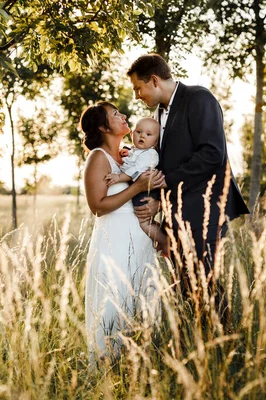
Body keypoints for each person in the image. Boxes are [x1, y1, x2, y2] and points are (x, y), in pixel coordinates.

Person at [127, 54, 249, 322]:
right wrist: (157, 198)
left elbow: (211, 154)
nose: (137, 95)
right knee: (184, 282)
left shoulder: (199, 98)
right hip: (178, 210)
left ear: (155, 80)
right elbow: (164, 163)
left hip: (205, 207)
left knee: (205, 280)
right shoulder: (158, 113)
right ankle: (197, 345)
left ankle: (225, 345)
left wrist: (167, 183)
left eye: (139, 88)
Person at [80, 101, 163, 360]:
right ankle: (108, 370)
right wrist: (137, 187)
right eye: (116, 114)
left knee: (142, 304)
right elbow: (97, 206)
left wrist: (155, 201)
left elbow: (146, 189)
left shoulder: (130, 155)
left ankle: (138, 365)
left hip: (139, 242)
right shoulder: (98, 158)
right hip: (113, 245)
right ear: (104, 127)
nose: (123, 115)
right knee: (114, 306)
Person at [103, 117, 167, 252]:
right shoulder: (136, 151)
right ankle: (158, 231)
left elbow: (135, 171)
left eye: (148, 134)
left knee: (144, 223)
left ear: (155, 142)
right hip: (139, 190)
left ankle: (165, 242)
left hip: (145, 192)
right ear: (132, 135)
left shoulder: (150, 155)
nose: (142, 135)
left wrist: (118, 177)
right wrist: (125, 153)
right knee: (145, 221)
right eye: (139, 132)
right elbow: (130, 158)